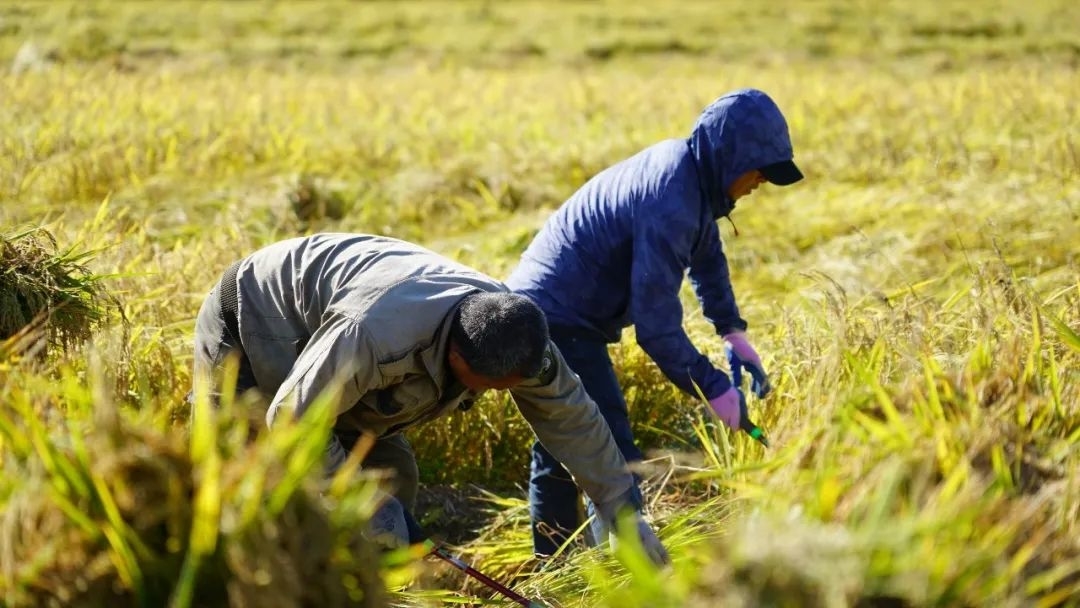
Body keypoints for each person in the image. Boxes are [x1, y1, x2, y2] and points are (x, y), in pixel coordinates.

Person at [190, 232, 668, 564]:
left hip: (332, 370)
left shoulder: (513, 329)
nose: (486, 396)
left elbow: (570, 414)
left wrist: (620, 507)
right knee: (243, 491)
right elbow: (294, 418)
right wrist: (378, 516)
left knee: (394, 479)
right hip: (254, 325)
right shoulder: (375, 334)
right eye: (483, 387)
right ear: (456, 356)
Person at [506, 88, 804, 558]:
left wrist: (731, 329)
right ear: (732, 157)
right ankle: (631, 571)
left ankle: (558, 572)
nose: (758, 184)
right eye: (759, 172)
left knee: (564, 444)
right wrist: (714, 389)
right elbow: (656, 328)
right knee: (605, 442)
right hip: (553, 314)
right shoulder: (674, 196)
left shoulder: (692, 176)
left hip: (556, 307)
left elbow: (707, 256)